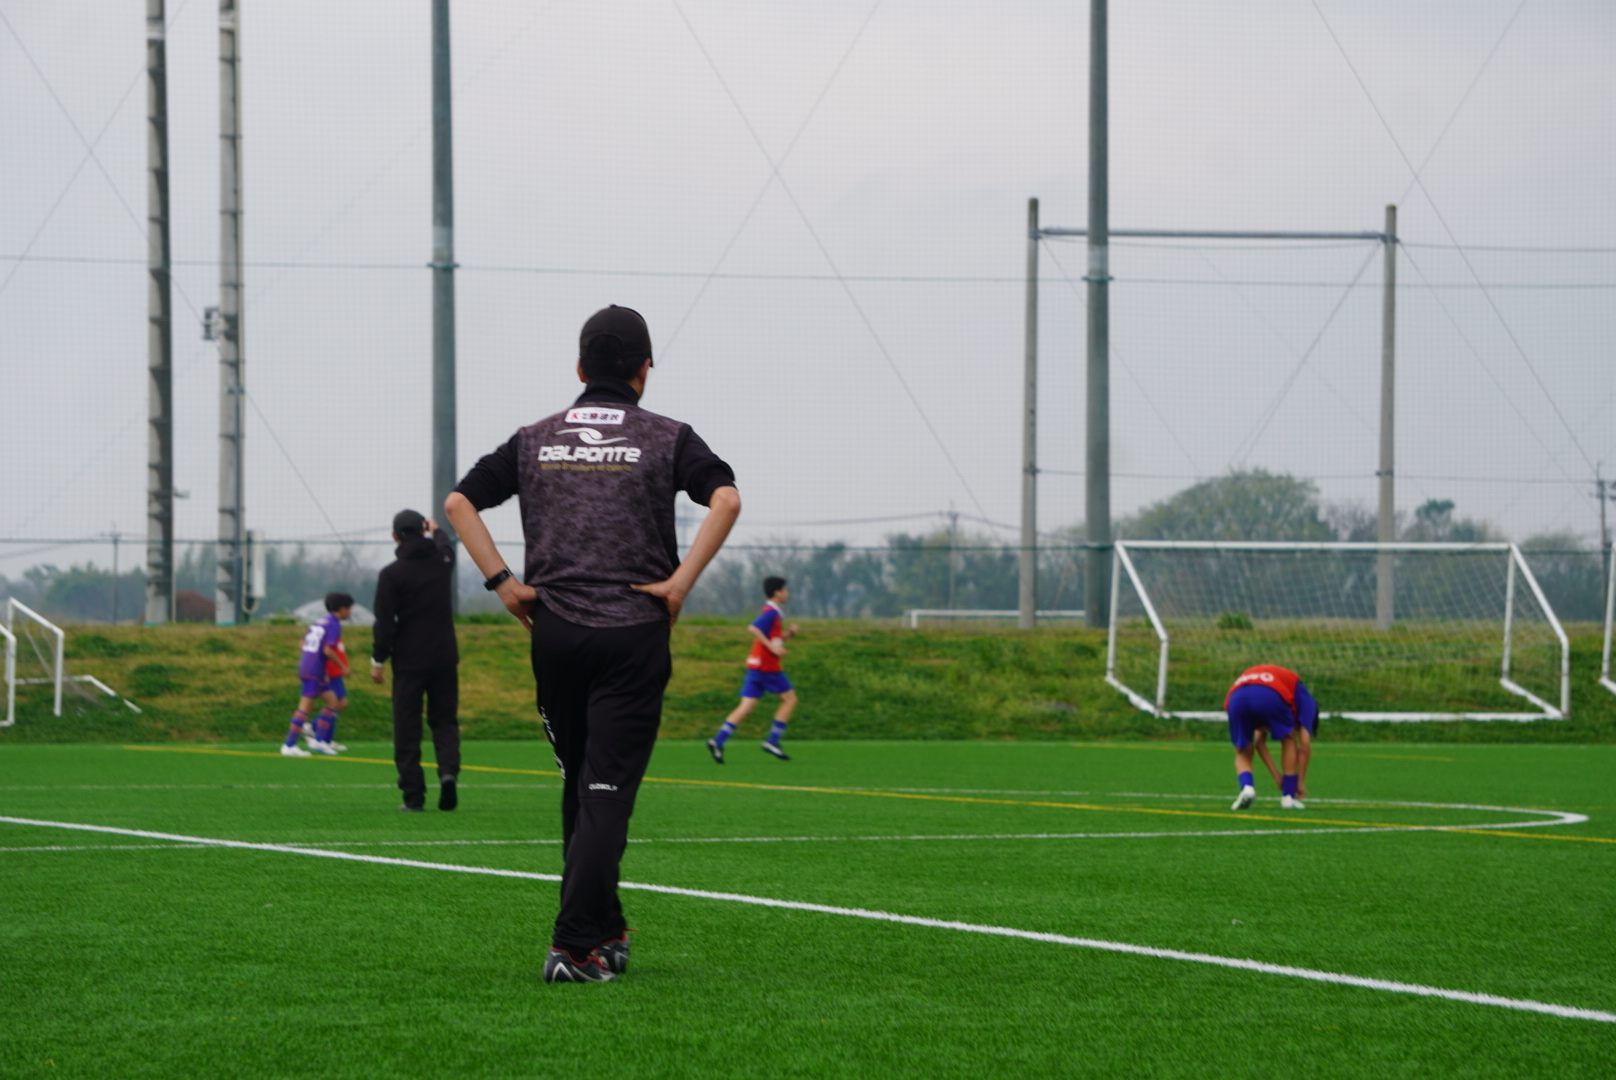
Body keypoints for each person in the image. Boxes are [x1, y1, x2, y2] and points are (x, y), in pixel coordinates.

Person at [445, 304, 740, 984]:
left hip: (555, 632)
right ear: (645, 369)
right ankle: (574, 947)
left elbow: (460, 503)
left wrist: (504, 585)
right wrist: (679, 585)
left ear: (580, 369)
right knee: (606, 791)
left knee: (581, 786)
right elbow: (725, 500)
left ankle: (604, 929)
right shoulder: (667, 437)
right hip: (633, 632)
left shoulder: (535, 439)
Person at [370, 510, 461, 812]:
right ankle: (448, 773)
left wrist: (378, 658)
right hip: (444, 655)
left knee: (407, 727)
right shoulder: (442, 562)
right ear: (423, 530)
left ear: (395, 536)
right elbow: (446, 545)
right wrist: (436, 530)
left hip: (409, 660)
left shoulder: (391, 574)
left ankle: (413, 796)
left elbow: (385, 622)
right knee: (444, 720)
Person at [707, 576, 798, 763]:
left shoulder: (772, 612)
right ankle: (772, 741)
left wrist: (787, 635)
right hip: (767, 667)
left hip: (755, 666)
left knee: (747, 706)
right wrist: (772, 648)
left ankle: (718, 740)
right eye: (785, 590)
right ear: (777, 592)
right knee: (790, 700)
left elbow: (770, 637)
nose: (787, 593)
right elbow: (753, 628)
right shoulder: (772, 612)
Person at [1226, 664, 1318, 811]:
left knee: (1243, 752)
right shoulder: (1309, 702)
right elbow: (1304, 745)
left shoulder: (1283, 683)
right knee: (1288, 739)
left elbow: (1259, 742)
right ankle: (1288, 798)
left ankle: (1247, 788)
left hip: (1236, 697)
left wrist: (1277, 777)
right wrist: (1298, 782)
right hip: (1270, 694)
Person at [280, 592, 353, 758]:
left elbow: (303, 643)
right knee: (305, 708)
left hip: (315, 668)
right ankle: (289, 745)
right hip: (313, 671)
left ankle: (319, 741)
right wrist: (343, 667)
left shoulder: (320, 621)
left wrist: (317, 664)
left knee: (333, 702)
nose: (350, 612)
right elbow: (327, 650)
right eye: (349, 609)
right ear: (342, 609)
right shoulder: (334, 624)